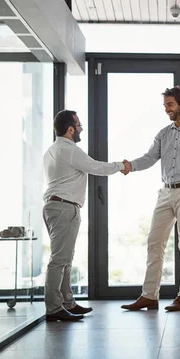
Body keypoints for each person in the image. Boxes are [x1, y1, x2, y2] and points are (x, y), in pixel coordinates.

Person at [121, 86, 180, 312]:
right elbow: (149, 158)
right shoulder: (163, 133)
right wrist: (130, 166)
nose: (167, 110)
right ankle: (149, 295)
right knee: (154, 242)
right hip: (165, 193)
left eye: (170, 105)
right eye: (165, 105)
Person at [43, 110, 128, 322]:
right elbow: (96, 167)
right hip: (64, 208)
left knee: (65, 258)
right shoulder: (70, 150)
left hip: (56, 206)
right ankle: (54, 308)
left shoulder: (51, 150)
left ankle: (67, 302)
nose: (81, 129)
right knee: (59, 259)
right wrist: (121, 166)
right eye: (79, 126)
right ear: (70, 129)